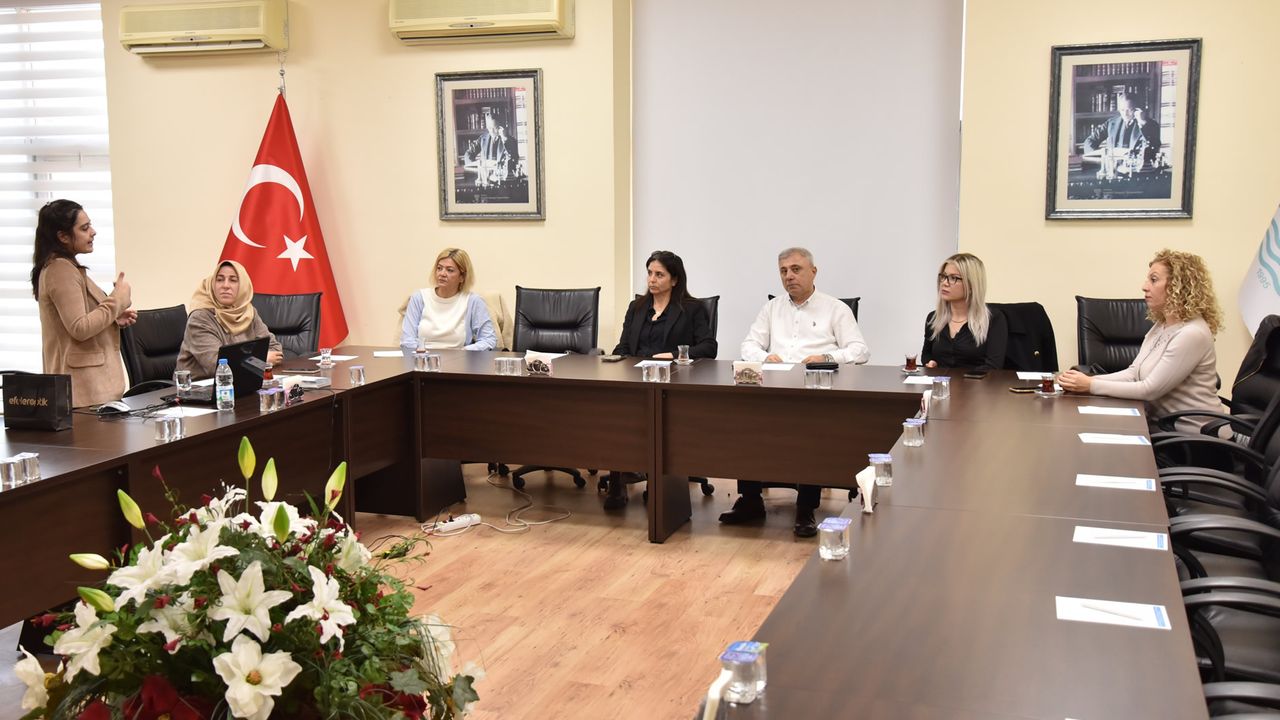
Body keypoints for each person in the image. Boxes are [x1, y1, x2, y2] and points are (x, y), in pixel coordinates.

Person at [726, 247, 871, 537]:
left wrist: (826, 357)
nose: (789, 276)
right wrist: (766, 357)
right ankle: (751, 500)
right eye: (783, 271)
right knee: (745, 421)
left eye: (796, 269)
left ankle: (805, 507)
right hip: (775, 389)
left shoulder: (835, 309)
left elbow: (860, 351)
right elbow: (749, 345)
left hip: (816, 391)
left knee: (810, 430)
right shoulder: (772, 308)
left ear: (813, 272)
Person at [1057, 249, 1223, 433]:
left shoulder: (1192, 333)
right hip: (1162, 427)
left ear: (1178, 286)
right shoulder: (1162, 325)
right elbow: (1133, 373)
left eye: (1154, 280)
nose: (1144, 286)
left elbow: (1150, 390)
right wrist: (1082, 381)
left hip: (1195, 437)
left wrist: (1090, 385)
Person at [605, 250, 718, 509]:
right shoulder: (637, 307)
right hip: (637, 380)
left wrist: (674, 354)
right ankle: (617, 480)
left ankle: (658, 482)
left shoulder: (691, 309)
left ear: (674, 280)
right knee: (613, 413)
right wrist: (617, 362)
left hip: (672, 384)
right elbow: (623, 346)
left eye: (659, 274)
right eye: (649, 273)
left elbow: (708, 347)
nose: (652, 280)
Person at [32, 199, 136, 407]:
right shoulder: (60, 270)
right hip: (83, 393)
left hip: (93, 390)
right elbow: (79, 327)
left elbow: (81, 318)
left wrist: (114, 317)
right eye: (84, 228)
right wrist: (117, 300)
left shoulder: (68, 267)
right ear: (63, 236)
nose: (93, 232)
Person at [176, 260, 284, 379]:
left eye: (233, 280)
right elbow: (216, 365)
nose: (225, 285)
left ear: (242, 286)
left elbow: (275, 349)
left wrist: (253, 361)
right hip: (199, 385)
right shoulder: (200, 318)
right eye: (219, 279)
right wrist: (261, 360)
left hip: (242, 380)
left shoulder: (248, 312)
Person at [399, 248, 497, 351]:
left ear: (462, 277)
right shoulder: (419, 298)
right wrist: (424, 354)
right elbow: (407, 340)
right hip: (424, 358)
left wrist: (464, 352)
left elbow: (488, 340)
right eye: (439, 268)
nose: (442, 274)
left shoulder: (473, 301)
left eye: (449, 270)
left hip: (459, 358)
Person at [921, 253, 1007, 371]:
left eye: (953, 278)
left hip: (977, 382)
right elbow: (926, 355)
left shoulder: (993, 319)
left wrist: (958, 379)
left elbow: (993, 366)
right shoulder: (934, 318)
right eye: (943, 276)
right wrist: (930, 363)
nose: (944, 283)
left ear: (971, 285)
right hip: (941, 382)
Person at [1082, 92, 1160, 164]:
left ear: (1136, 109)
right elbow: (1090, 141)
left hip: (1136, 168)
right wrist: (1098, 158)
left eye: (1129, 110)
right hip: (1113, 167)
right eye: (1122, 110)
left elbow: (1154, 146)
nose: (1125, 114)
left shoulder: (1150, 124)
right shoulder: (1111, 123)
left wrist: (1142, 123)